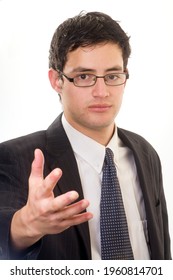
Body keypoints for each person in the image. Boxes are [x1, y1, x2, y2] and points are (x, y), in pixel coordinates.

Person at [0, 11, 171, 260]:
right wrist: (25, 226)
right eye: (84, 77)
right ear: (57, 80)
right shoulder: (15, 158)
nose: (101, 92)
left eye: (112, 76)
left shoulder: (145, 153)